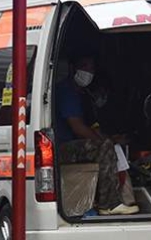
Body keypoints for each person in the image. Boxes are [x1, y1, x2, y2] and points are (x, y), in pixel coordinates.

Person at [56, 56, 139, 215]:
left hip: (73, 145)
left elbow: (92, 126)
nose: (88, 72)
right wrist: (103, 141)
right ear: (73, 68)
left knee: (110, 145)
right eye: (84, 66)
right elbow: (78, 127)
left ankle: (124, 197)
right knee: (105, 146)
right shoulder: (67, 92)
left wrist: (109, 138)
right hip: (62, 147)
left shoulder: (81, 94)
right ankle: (109, 203)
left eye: (91, 69)